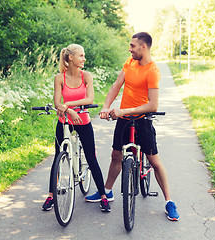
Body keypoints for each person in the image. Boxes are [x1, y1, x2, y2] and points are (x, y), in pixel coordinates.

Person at [85, 32, 179, 221]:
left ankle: (169, 201)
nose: (130, 49)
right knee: (116, 155)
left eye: (132, 46)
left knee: (154, 160)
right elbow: (116, 85)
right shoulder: (129, 62)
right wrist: (106, 106)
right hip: (124, 118)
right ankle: (107, 191)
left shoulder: (152, 70)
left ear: (143, 47)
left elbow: (153, 105)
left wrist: (123, 111)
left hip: (142, 120)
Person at [41, 44, 111, 212]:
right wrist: (69, 110)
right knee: (58, 156)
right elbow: (57, 102)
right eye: (81, 56)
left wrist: (69, 105)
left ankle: (103, 196)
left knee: (91, 158)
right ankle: (51, 195)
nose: (84, 59)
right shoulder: (59, 78)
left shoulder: (86, 76)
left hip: (83, 119)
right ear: (71, 57)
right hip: (65, 119)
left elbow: (89, 99)